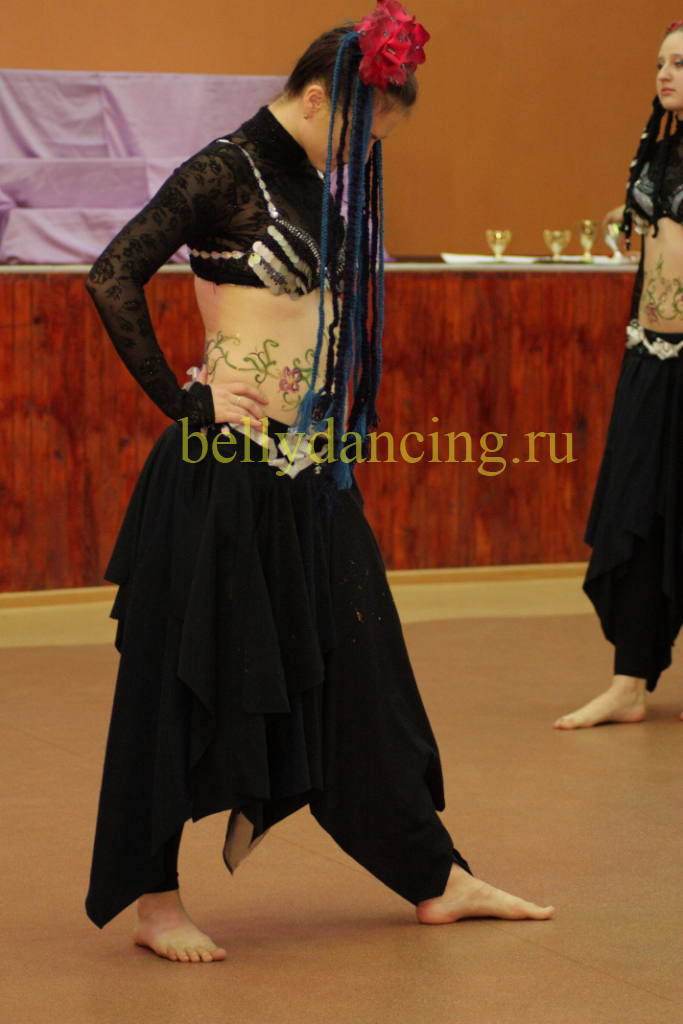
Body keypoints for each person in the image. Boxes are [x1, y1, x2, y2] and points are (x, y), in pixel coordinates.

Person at [85, 2, 554, 963]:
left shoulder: (305, 178)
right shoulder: (225, 168)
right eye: (365, 130)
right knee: (176, 690)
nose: (364, 150)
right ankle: (155, 903)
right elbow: (112, 272)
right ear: (315, 98)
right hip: (223, 474)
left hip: (305, 475)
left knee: (363, 669)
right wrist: (187, 403)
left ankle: (435, 876)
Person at [555, 19, 683, 730]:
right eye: (661, 62)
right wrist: (624, 211)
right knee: (636, 514)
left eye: (680, 63)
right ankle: (628, 684)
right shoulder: (660, 148)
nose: (665, 74)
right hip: (650, 358)